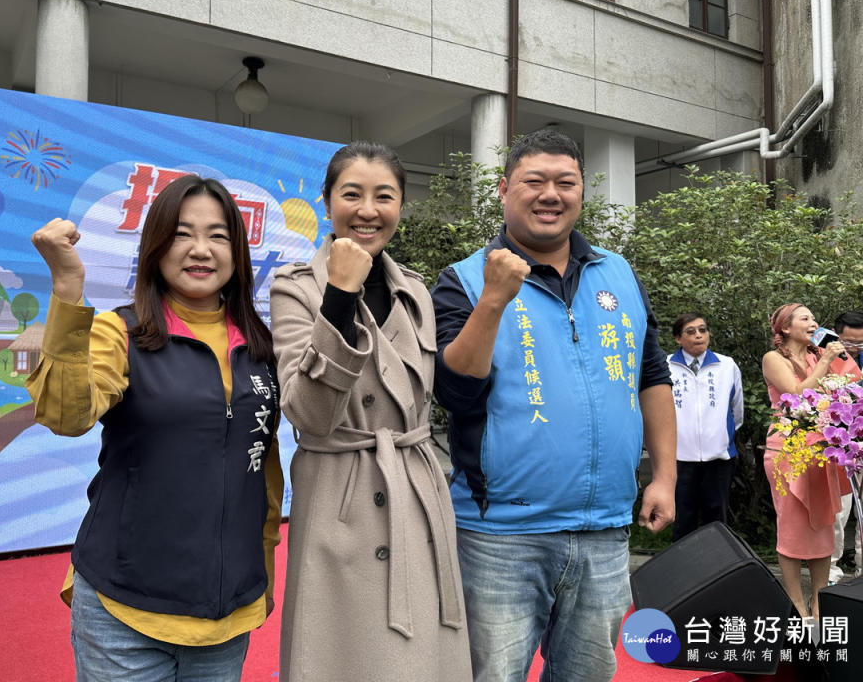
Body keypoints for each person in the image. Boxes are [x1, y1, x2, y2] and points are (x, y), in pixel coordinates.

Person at [431, 128, 676, 682]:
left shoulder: (617, 273)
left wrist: (664, 476)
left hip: (604, 530)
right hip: (500, 538)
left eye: (565, 182)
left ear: (582, 191)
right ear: (502, 190)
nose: (551, 194)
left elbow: (651, 374)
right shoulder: (464, 280)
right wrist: (495, 299)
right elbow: (454, 391)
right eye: (533, 181)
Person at [26, 175, 283, 682]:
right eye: (182, 233)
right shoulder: (117, 332)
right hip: (125, 611)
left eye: (218, 235)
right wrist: (66, 291)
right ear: (156, 247)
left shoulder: (259, 347)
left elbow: (263, 471)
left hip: (226, 619)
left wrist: (264, 567)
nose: (200, 250)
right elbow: (66, 416)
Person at [269, 141, 471, 682]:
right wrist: (338, 294)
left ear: (401, 206)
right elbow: (308, 414)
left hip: (417, 491)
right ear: (327, 201)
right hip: (340, 493)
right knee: (341, 656)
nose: (367, 210)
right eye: (351, 194)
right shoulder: (295, 289)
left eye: (384, 196)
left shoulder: (417, 294)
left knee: (420, 659)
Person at [762, 303, 857, 619]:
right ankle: (797, 604)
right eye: (805, 318)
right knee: (791, 527)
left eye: (814, 319)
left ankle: (818, 602)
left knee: (822, 526)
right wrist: (827, 360)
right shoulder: (773, 359)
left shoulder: (818, 357)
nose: (813, 323)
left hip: (820, 452)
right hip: (786, 451)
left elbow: (849, 389)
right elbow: (798, 394)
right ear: (786, 328)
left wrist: (839, 361)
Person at [668, 313, 744, 540]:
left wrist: (722, 436)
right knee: (682, 517)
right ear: (678, 339)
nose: (699, 335)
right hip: (678, 456)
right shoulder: (666, 367)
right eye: (691, 332)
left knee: (717, 518)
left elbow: (736, 410)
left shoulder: (727, 365)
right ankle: (681, 569)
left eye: (703, 330)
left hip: (719, 457)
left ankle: (718, 569)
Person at [829, 310, 863, 582]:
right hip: (839, 444)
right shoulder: (825, 358)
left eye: (861, 343)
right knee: (838, 508)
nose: (855, 348)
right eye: (850, 342)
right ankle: (830, 568)